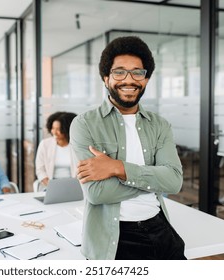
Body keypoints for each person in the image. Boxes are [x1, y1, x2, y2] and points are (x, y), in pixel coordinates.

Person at [70, 36, 186, 260]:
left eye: (137, 72)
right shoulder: (85, 124)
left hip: (160, 228)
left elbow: (174, 181)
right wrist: (153, 180)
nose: (129, 79)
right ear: (106, 78)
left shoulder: (160, 125)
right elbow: (96, 193)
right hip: (115, 238)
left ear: (146, 79)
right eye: (119, 72)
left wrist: (117, 168)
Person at [35, 112, 78, 190]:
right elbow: (40, 170)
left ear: (67, 129)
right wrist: (52, 187)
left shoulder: (77, 146)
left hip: (73, 186)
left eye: (58, 129)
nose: (54, 132)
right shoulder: (45, 144)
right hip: (50, 186)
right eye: (53, 128)